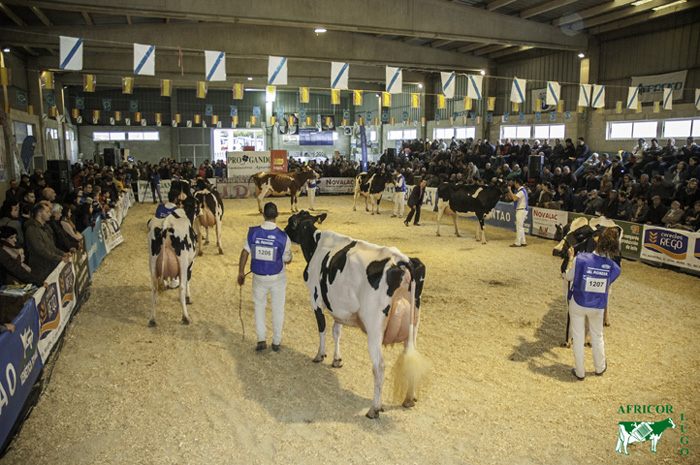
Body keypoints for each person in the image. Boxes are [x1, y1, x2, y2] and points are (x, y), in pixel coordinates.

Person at [565, 227, 621, 380]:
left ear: (597, 241)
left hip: (578, 302)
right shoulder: (613, 267)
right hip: (597, 305)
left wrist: (571, 258)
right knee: (597, 336)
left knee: (578, 335)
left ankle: (580, 371)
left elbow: (568, 276)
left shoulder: (582, 258)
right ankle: (600, 367)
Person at [237, 202, 292, 352]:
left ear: (263, 215)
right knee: (278, 309)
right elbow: (287, 259)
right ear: (277, 215)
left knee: (259, 306)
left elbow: (244, 253)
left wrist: (241, 272)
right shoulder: (283, 236)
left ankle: (261, 339)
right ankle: (276, 341)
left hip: (258, 277)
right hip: (277, 277)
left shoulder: (253, 233)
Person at [24, 203, 71, 282]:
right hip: (41, 267)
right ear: (39, 214)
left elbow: (51, 246)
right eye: (47, 212)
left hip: (50, 265)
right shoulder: (32, 230)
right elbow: (41, 250)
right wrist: (59, 258)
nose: (50, 214)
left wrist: (62, 253)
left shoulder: (45, 227)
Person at [507, 178, 528, 247]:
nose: (515, 185)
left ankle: (518, 242)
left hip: (521, 210)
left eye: (515, 183)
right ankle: (523, 241)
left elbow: (515, 198)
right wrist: (509, 192)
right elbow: (512, 197)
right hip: (521, 209)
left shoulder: (521, 191)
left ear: (517, 183)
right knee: (520, 226)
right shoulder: (519, 191)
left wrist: (510, 190)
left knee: (518, 226)